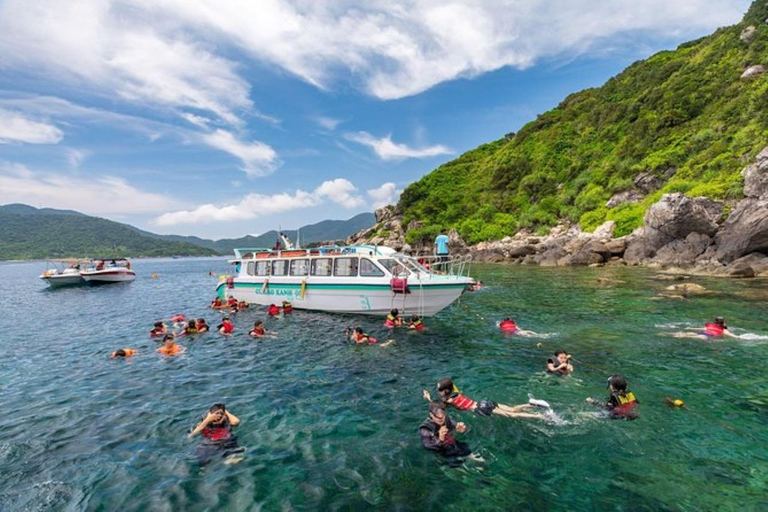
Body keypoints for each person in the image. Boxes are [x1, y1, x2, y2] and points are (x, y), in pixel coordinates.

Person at [423, 378, 546, 419]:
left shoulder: (448, 400)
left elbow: (438, 407)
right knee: (512, 409)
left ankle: (539, 416)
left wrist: (428, 398)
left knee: (512, 415)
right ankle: (531, 404)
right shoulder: (456, 392)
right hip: (484, 402)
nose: (438, 393)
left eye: (439, 391)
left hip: (481, 409)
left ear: (445, 391)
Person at [669, 317, 738, 339]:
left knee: (686, 334)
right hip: (705, 336)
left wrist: (689, 328)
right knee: (688, 336)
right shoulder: (724, 330)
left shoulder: (711, 326)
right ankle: (677, 335)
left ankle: (668, 334)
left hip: (702, 333)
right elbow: (732, 335)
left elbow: (700, 329)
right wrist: (739, 337)